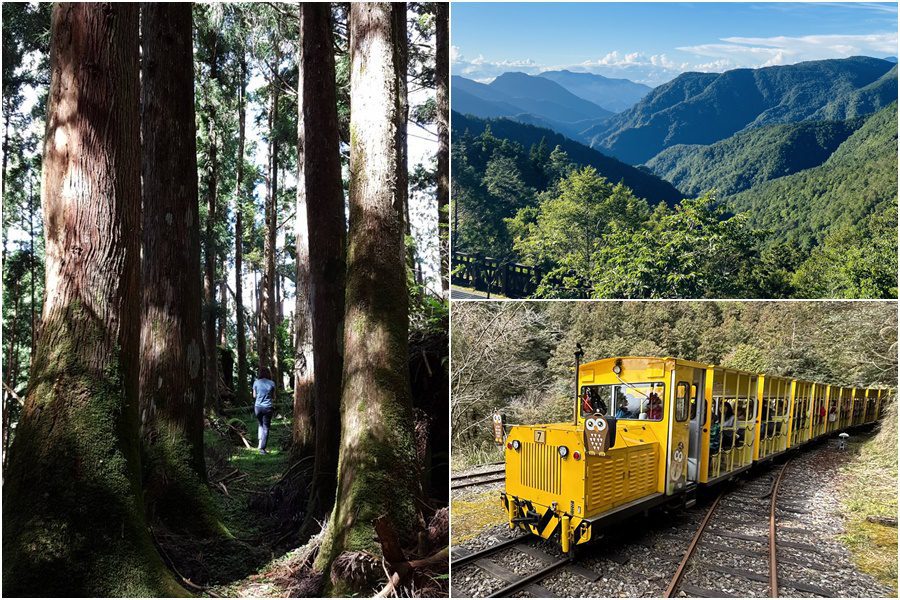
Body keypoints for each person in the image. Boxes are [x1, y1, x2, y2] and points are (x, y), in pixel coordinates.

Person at [253, 367, 276, 454]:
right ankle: (262, 449)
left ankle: (259, 444)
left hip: (257, 407)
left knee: (260, 425)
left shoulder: (256, 382)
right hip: (268, 407)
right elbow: (274, 397)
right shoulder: (272, 383)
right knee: (266, 428)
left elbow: (254, 396)